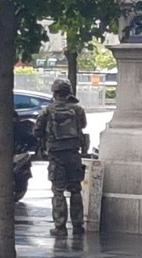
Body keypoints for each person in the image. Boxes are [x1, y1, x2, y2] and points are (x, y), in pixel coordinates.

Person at [33, 79, 87, 236]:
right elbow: (82, 125)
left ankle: (60, 226)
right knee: (76, 190)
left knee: (58, 191)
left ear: (55, 93)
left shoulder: (47, 110)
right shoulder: (78, 110)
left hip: (56, 155)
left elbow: (37, 130)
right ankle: (78, 225)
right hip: (73, 154)